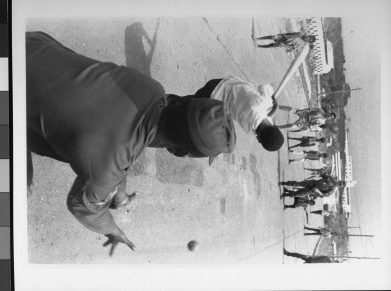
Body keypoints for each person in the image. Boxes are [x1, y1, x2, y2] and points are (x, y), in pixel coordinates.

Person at [26, 31, 237, 256]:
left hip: (30, 44)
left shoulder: (150, 88)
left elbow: (124, 146)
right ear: (179, 152)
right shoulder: (107, 168)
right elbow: (83, 207)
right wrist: (111, 229)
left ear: (181, 101)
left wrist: (120, 196)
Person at [175, 75, 284, 152]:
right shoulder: (249, 129)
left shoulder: (264, 103)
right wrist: (273, 108)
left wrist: (273, 97)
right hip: (213, 100)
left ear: (276, 127)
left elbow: (264, 87)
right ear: (259, 140)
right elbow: (263, 123)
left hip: (220, 84)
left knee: (187, 102)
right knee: (187, 105)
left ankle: (170, 103)